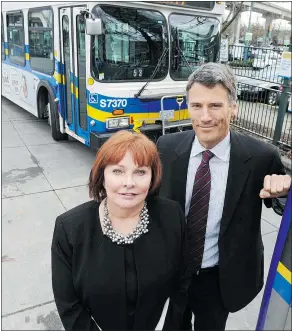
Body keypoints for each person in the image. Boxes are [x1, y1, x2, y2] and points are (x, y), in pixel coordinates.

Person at [156, 63, 291, 330]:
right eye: (197, 106)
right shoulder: (166, 148)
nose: (205, 116)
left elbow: (278, 204)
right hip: (174, 272)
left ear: (233, 108)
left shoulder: (261, 157)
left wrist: (285, 193)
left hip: (220, 279)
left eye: (215, 106)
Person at [51, 130, 190, 331]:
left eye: (140, 172)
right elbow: (68, 305)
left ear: (153, 177)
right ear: (102, 176)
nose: (129, 183)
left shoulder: (172, 216)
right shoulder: (70, 228)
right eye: (117, 171)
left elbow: (182, 283)